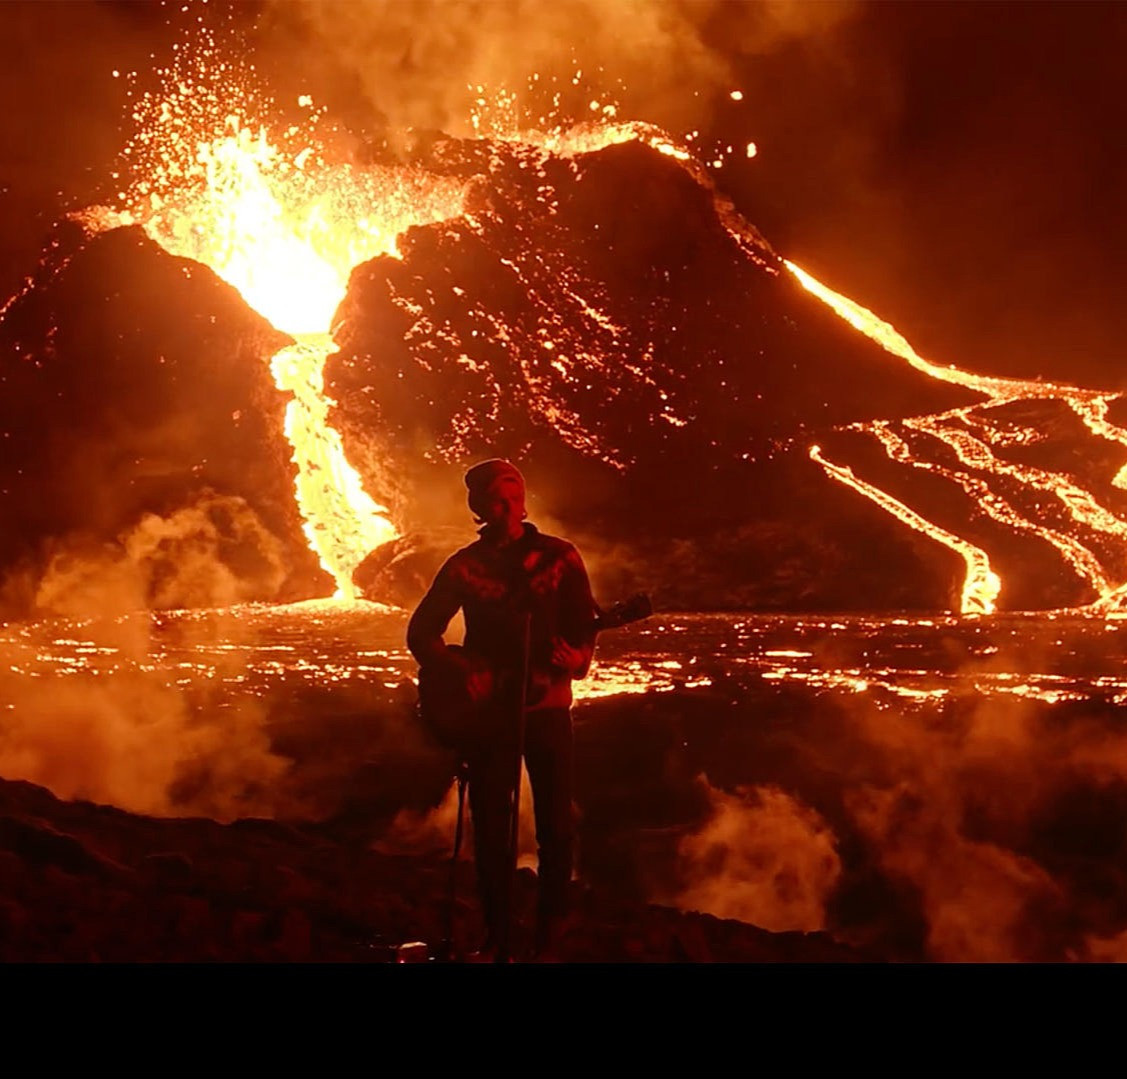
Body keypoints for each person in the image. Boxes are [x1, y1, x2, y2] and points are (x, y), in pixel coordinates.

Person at [407, 458, 598, 960]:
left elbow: (585, 624)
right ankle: (498, 930)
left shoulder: (560, 558)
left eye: (515, 493)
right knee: (492, 825)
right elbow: (422, 632)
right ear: (480, 506)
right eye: (498, 496)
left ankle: (551, 927)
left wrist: (577, 660)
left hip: (548, 709)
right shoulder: (466, 566)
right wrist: (457, 671)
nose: (509, 504)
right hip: (491, 716)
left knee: (557, 823)